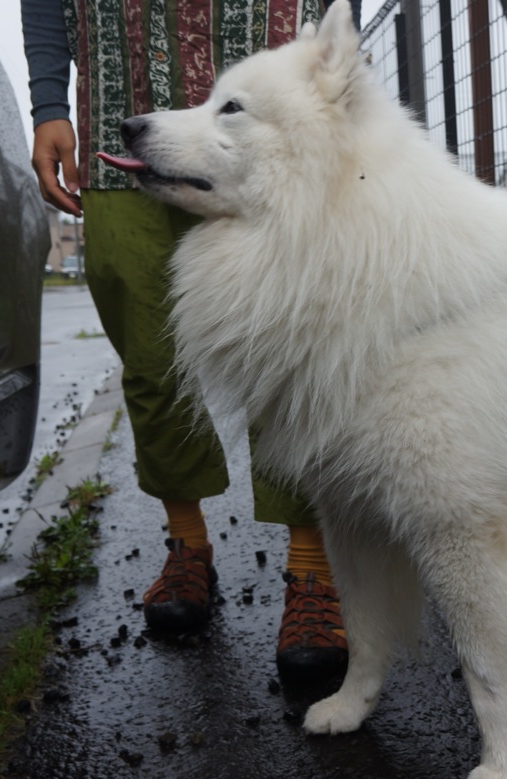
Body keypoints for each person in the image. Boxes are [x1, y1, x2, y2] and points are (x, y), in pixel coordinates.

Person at [20, 0, 349, 679]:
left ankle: (314, 569)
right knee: (149, 358)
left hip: (266, 127)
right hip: (125, 123)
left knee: (290, 352)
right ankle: (187, 544)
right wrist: (49, 101)